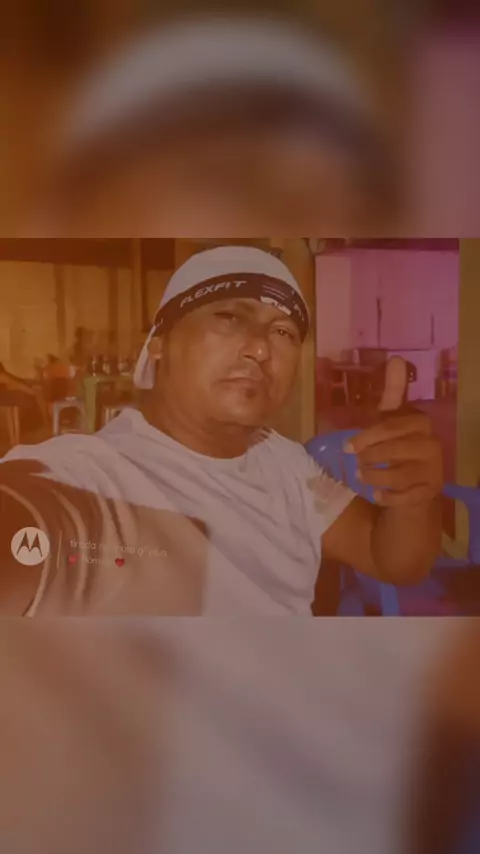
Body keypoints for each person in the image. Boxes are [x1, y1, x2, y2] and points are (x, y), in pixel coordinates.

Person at [0, 245, 442, 616]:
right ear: (159, 344)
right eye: (229, 317)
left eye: (283, 331)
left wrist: (414, 499)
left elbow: (390, 559)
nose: (261, 347)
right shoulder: (87, 478)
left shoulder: (285, 462)